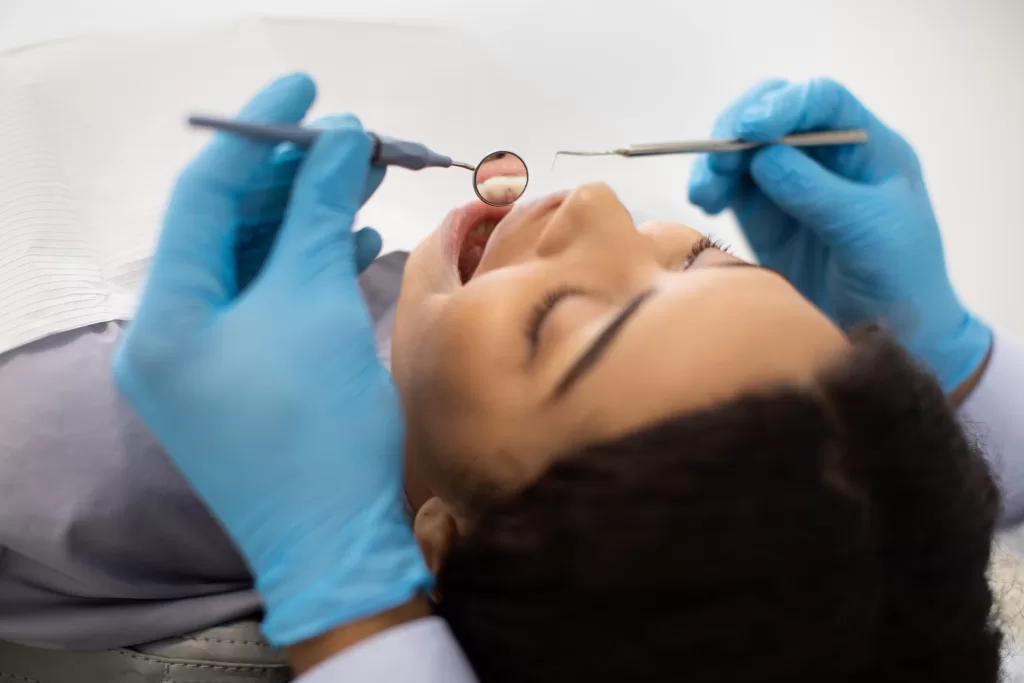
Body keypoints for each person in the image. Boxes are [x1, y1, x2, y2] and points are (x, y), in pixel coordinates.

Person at [105, 71, 1023, 683]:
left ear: (440, 553)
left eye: (560, 322)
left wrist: (348, 609)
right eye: (703, 257)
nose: (598, 204)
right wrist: (955, 359)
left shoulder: (82, 466)